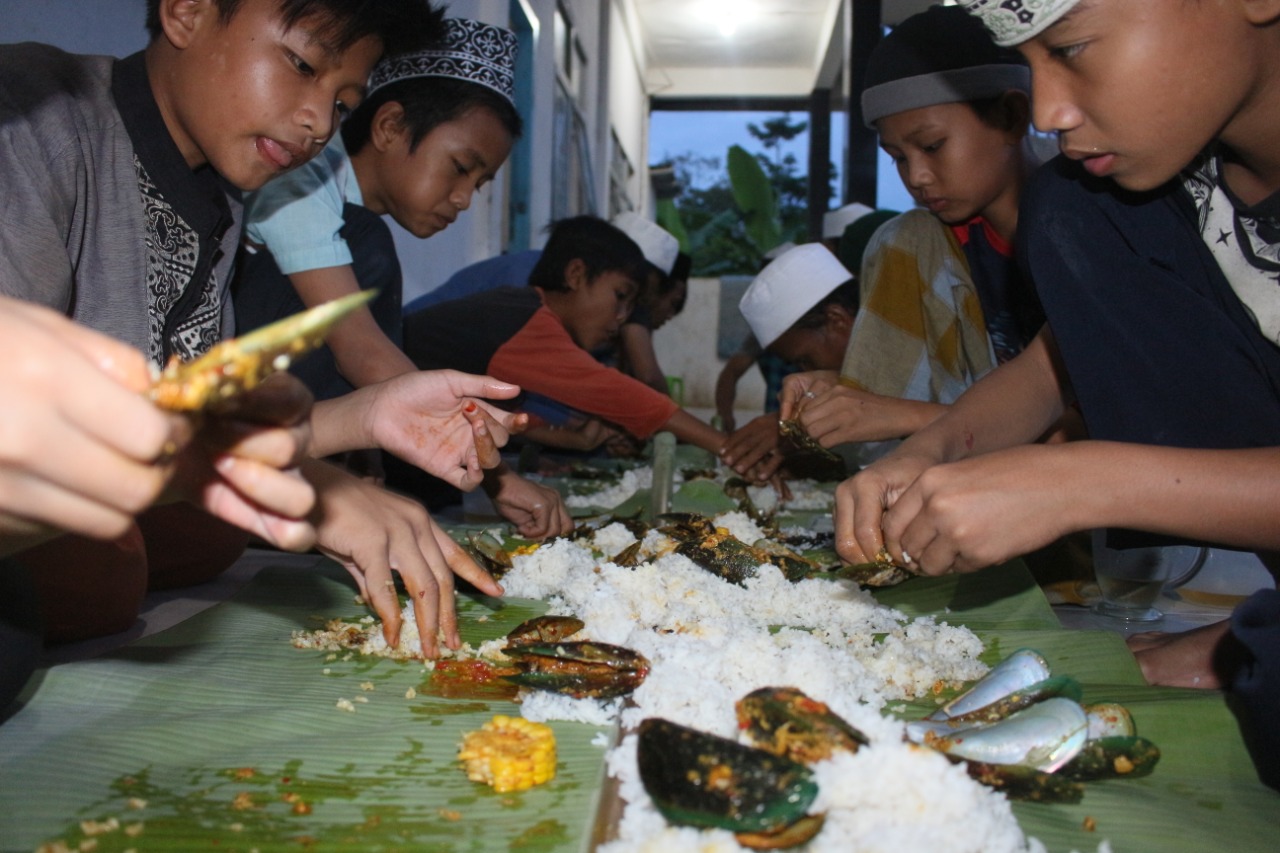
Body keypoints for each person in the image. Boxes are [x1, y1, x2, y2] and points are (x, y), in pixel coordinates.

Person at [837, 0, 1280, 788]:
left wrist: (1080, 480)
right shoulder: (1125, 205)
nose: (1047, 111)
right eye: (1030, 59)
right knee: (1072, 210)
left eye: (1071, 47)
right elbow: (1055, 366)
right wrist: (929, 451)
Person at [0, 0, 507, 661]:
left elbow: (194, 422)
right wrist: (321, 488)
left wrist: (365, 417)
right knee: (99, 576)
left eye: (343, 102)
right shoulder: (34, 116)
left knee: (207, 535)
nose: (318, 121)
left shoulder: (221, 196)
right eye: (300, 64)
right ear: (187, 11)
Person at [235, 17, 570, 539]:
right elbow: (361, 351)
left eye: (480, 185)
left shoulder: (354, 225)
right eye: (461, 167)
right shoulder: (303, 177)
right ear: (389, 127)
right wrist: (500, 480)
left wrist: (366, 446)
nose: (463, 198)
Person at [770, 4, 1056, 476]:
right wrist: (845, 394)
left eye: (932, 146)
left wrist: (899, 414)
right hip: (979, 478)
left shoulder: (1091, 226)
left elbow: (1092, 430)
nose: (917, 177)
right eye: (898, 157)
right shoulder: (927, 248)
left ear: (1011, 115)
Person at [400, 215, 729, 468]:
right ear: (575, 275)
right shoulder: (527, 321)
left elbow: (497, 414)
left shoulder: (523, 305)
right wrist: (728, 448)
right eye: (620, 297)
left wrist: (574, 439)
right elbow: (625, 396)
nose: (621, 317)